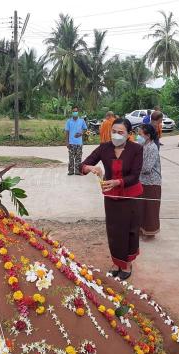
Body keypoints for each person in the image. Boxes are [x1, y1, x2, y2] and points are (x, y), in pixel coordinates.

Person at [80, 118, 143, 280]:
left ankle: (127, 264)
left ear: (129, 134)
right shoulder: (104, 148)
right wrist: (90, 167)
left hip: (130, 196)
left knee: (129, 229)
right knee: (114, 230)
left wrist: (117, 182)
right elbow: (83, 165)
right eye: (113, 132)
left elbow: (135, 176)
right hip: (111, 197)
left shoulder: (136, 149)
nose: (116, 135)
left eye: (120, 132)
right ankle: (116, 263)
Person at [137, 124, 161, 239]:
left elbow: (147, 168)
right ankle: (142, 230)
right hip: (142, 181)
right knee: (141, 207)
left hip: (152, 182)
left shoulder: (152, 147)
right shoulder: (143, 145)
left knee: (150, 209)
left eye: (140, 134)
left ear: (148, 136)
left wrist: (134, 168)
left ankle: (150, 232)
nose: (138, 136)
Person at [64, 106, 87, 176]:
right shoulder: (68, 121)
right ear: (72, 112)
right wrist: (67, 142)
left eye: (76, 111)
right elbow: (67, 132)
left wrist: (81, 133)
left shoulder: (82, 121)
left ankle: (77, 171)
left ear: (78, 112)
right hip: (71, 142)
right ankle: (71, 171)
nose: (75, 112)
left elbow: (85, 129)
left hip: (79, 143)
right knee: (71, 158)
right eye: (74, 111)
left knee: (78, 158)